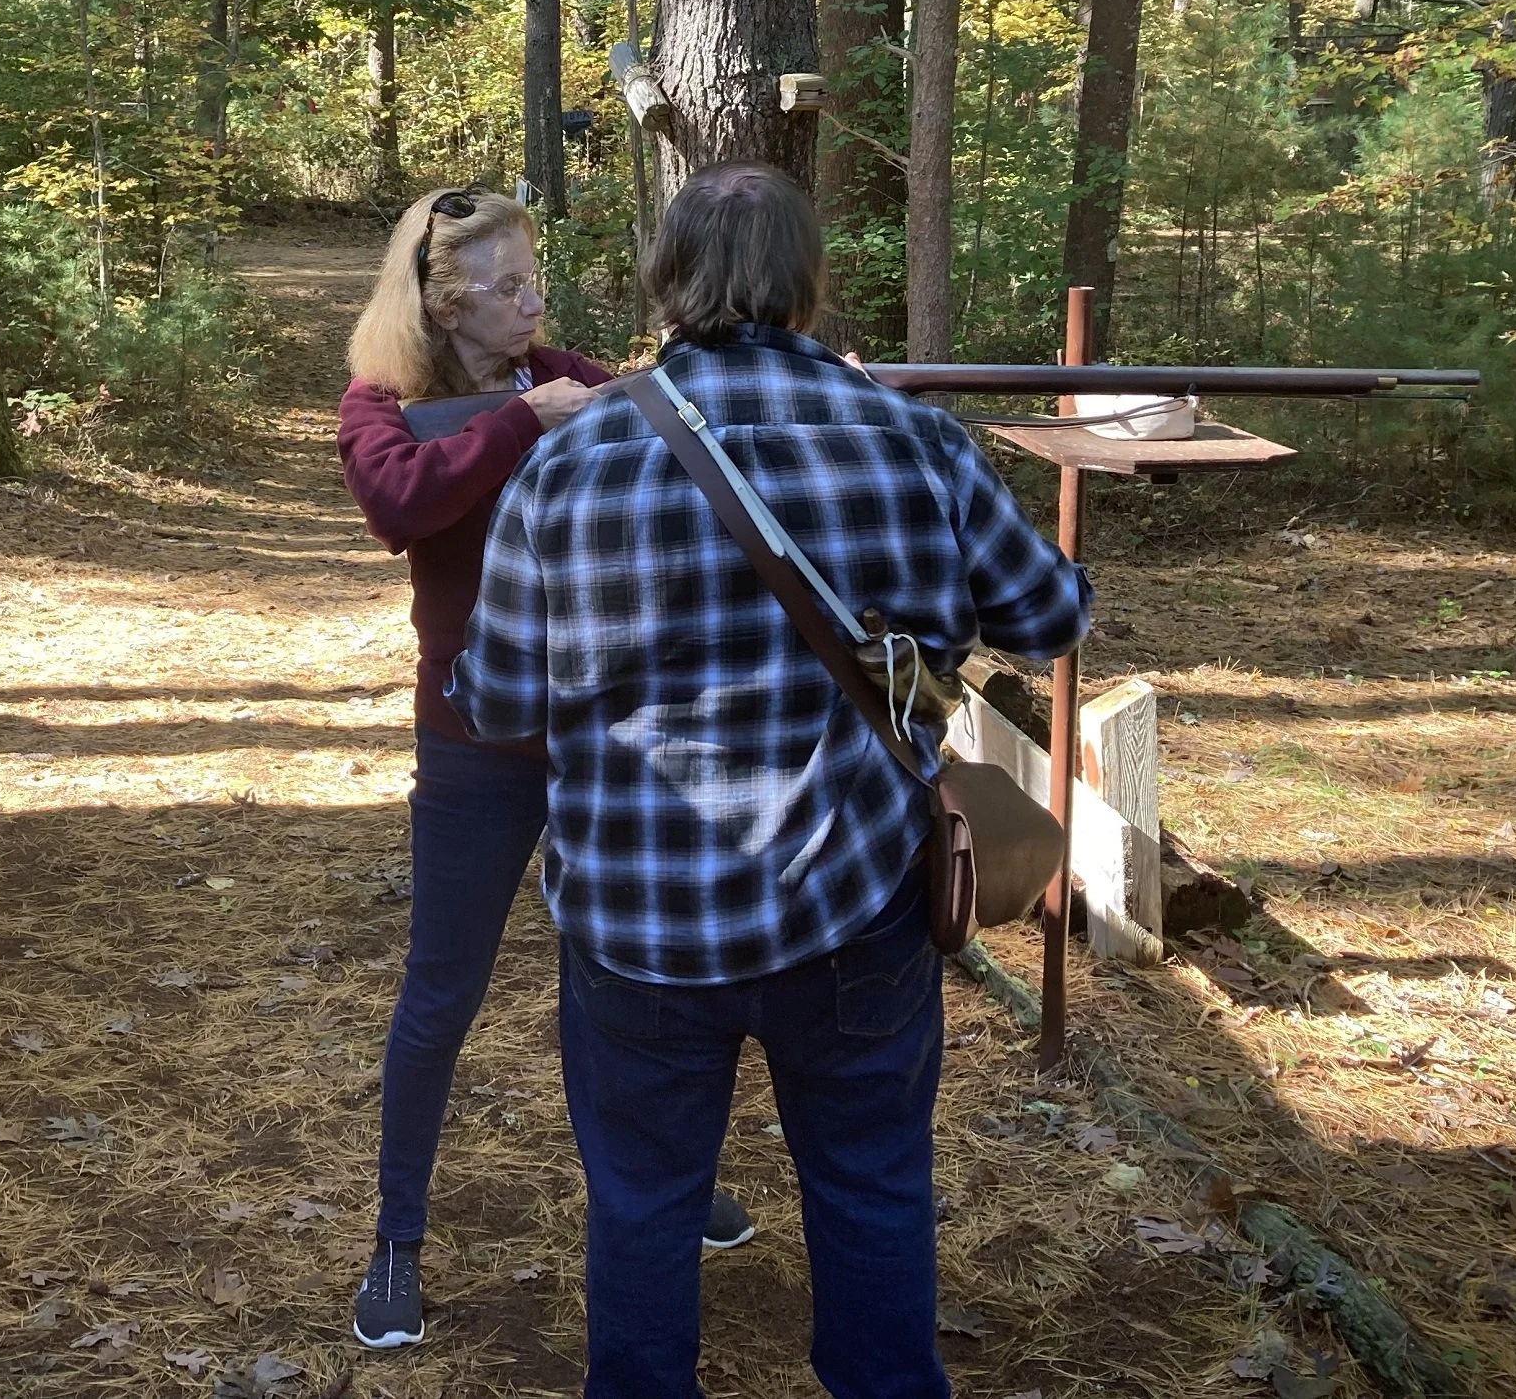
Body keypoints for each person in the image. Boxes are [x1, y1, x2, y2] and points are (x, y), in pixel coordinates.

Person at [451, 163, 1092, 1399]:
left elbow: (500, 702)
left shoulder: (569, 468)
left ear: (664, 284)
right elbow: (1048, 618)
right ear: (808, 287)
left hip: (634, 925)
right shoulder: (915, 441)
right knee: (870, 1187)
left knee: (641, 1205)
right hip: (853, 908)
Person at [336, 185, 754, 1352]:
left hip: (594, 734)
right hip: (472, 742)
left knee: (619, 988)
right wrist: (527, 425)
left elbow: (672, 420)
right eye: (511, 286)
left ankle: (674, 1186)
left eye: (536, 283)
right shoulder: (384, 403)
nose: (535, 303)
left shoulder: (556, 369)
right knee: (440, 995)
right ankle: (397, 1238)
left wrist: (795, 387)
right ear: (440, 300)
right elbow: (396, 503)